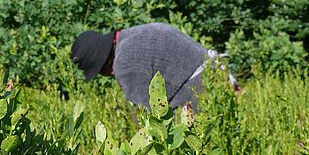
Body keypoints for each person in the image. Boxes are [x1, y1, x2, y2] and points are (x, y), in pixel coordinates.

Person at [70, 22, 240, 111]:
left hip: (202, 96)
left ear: (105, 64)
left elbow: (146, 116)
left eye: (102, 72)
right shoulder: (140, 32)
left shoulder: (124, 63)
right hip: (220, 77)